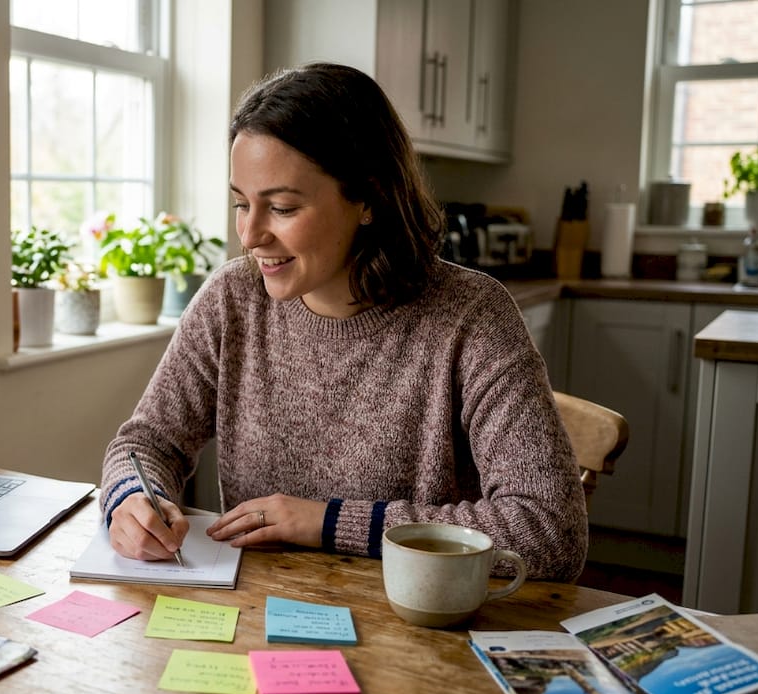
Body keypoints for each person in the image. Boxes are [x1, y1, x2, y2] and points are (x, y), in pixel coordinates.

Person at [98, 62, 587, 582]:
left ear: (368, 199)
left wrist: (328, 522)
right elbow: (145, 442)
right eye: (242, 203)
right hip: (257, 611)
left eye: (282, 208)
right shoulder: (231, 299)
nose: (250, 235)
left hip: (407, 619)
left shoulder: (472, 315)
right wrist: (132, 499)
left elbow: (550, 531)